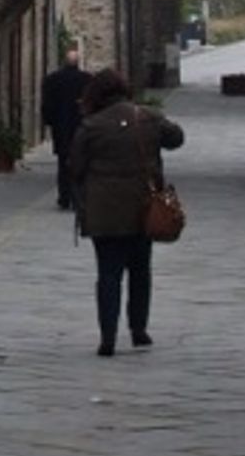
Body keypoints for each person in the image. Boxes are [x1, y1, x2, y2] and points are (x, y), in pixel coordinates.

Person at [66, 66, 185, 355]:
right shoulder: (147, 117)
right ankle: (138, 328)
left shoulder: (90, 126)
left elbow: (75, 167)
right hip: (142, 209)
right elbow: (176, 138)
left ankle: (107, 337)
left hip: (103, 212)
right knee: (140, 270)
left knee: (108, 274)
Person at [40, 44, 91, 211]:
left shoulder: (52, 80)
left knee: (63, 163)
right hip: (82, 128)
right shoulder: (87, 80)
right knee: (82, 162)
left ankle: (64, 197)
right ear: (78, 62)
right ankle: (78, 197)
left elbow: (46, 105)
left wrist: (49, 122)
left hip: (61, 128)